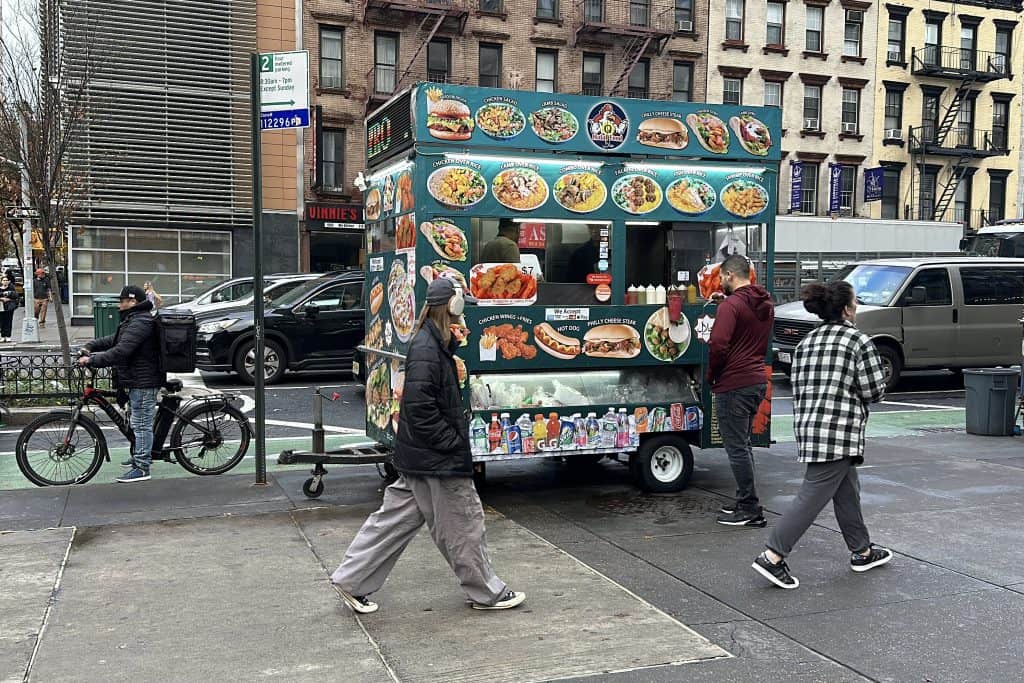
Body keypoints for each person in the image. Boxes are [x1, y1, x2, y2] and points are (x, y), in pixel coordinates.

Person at [331, 278, 525, 615]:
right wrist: (452, 445)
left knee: (391, 522)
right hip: (437, 459)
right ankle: (486, 593)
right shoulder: (427, 349)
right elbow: (422, 410)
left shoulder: (429, 344)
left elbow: (423, 400)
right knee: (465, 523)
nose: (463, 322)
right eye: (460, 314)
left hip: (417, 457)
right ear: (451, 308)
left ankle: (351, 580)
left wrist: (452, 346)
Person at [751, 280, 892, 589]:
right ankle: (772, 555)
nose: (856, 309)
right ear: (845, 309)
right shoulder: (858, 341)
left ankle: (862, 550)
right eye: (854, 303)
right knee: (812, 495)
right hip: (840, 430)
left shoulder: (807, 343)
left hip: (810, 427)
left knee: (845, 490)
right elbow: (873, 391)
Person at [707, 254, 774, 528]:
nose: (720, 282)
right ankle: (745, 499)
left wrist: (712, 375)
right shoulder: (765, 304)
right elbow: (747, 327)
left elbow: (718, 345)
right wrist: (726, 304)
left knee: (736, 448)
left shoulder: (731, 307)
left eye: (722, 277)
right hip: (756, 379)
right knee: (743, 446)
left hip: (734, 383)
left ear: (731, 276)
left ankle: (749, 508)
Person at [79, 285, 166, 483]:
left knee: (141, 424)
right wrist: (90, 346)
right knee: (136, 421)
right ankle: (140, 455)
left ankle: (143, 467)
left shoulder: (141, 322)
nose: (119, 305)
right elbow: (115, 340)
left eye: (122, 301)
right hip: (136, 379)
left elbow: (122, 350)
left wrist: (92, 360)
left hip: (144, 381)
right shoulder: (133, 320)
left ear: (132, 302)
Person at [0, 275, 16, 342]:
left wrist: (9, 298)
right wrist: (1, 298)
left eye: (6, 280)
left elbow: (15, 296)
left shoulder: (11, 288)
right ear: (1, 281)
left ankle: (8, 336)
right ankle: (3, 336)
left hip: (9, 307)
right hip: (1, 307)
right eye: (4, 280)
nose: (5, 282)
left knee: (9, 321)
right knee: (2, 322)